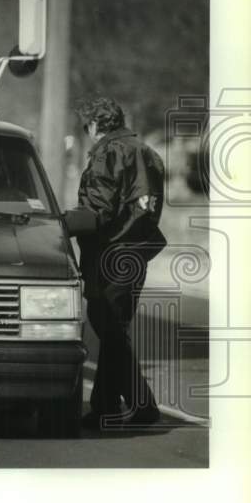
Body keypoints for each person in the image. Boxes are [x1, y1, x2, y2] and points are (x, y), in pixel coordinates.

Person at [75, 97, 166, 430]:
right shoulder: (147, 153)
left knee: (108, 327)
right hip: (135, 251)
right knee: (113, 328)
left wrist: (64, 224)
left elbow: (98, 209)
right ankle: (116, 406)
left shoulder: (107, 153)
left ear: (96, 125)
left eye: (87, 127)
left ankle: (122, 407)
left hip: (109, 250)